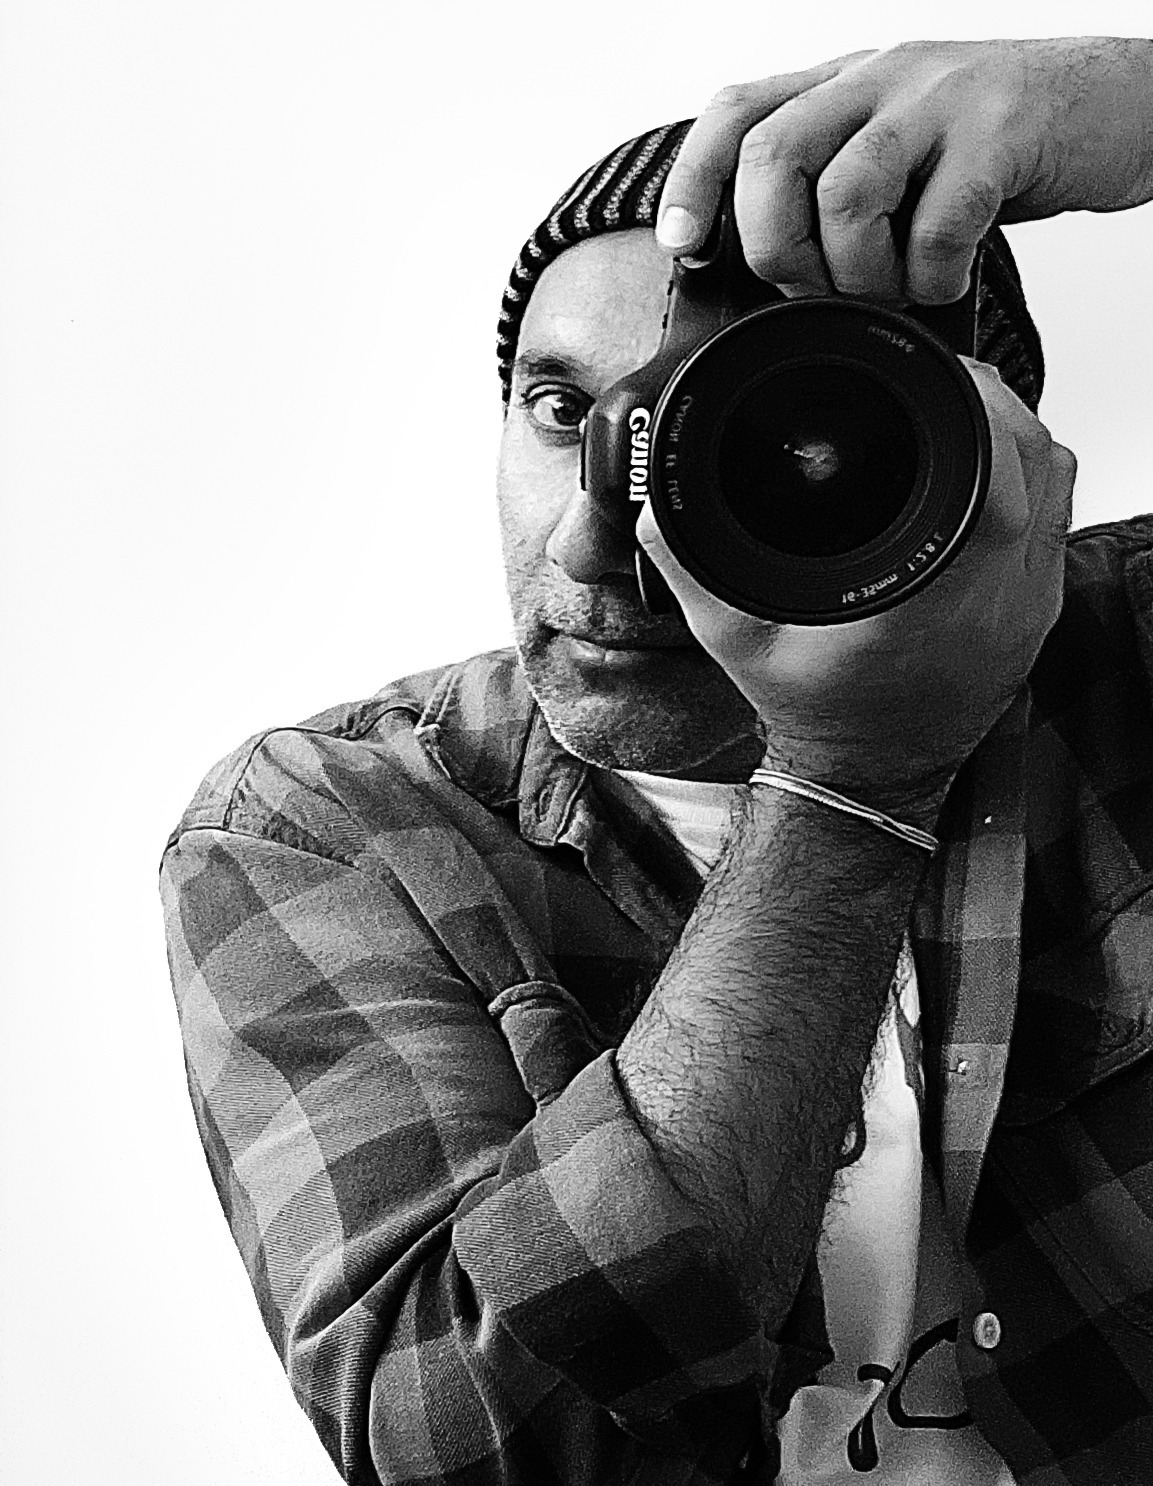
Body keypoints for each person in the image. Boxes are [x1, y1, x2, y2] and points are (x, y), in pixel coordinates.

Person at [160, 37, 1153, 1486]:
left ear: (971, 469)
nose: (589, 542)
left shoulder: (1129, 654)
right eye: (565, 411)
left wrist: (1136, 101)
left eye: (753, 440)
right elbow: (489, 1450)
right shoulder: (329, 824)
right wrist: (847, 787)